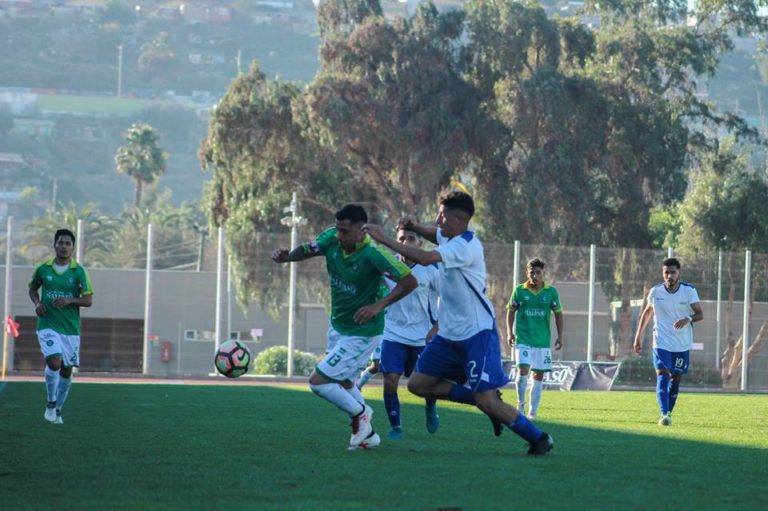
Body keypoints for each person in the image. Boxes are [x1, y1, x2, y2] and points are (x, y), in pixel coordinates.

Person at [364, 191, 553, 455]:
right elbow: (435, 235)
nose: (438, 219)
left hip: (477, 334)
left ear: (459, 219)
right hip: (449, 335)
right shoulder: (450, 236)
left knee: (488, 401)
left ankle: (539, 438)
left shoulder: (465, 246)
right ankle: (481, 399)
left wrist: (383, 239)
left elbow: (425, 258)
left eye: (442, 215)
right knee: (418, 385)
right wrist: (415, 227)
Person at [272, 204, 417, 450]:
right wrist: (288, 257)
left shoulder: (373, 254)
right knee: (345, 382)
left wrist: (378, 306)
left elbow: (409, 282)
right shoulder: (331, 238)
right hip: (338, 326)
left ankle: (360, 414)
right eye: (337, 229)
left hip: (363, 332)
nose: (339, 235)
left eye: (345, 231)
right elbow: (308, 249)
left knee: (318, 381)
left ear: (362, 231)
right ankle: (369, 435)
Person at [356, 228, 441, 439]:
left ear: (419, 244)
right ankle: (396, 426)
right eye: (402, 238)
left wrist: (436, 327)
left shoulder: (431, 269)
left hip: (422, 336)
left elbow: (450, 299)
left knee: (425, 384)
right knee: (391, 380)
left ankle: (431, 407)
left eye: (411, 238)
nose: (406, 242)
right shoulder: (386, 264)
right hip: (392, 333)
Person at [28, 229, 94, 425]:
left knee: (66, 370)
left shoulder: (79, 271)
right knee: (54, 363)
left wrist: (70, 300)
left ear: (72, 247)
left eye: (67, 243)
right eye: (60, 243)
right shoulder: (43, 269)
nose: (64, 246)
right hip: (47, 324)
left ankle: (58, 409)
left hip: (70, 329)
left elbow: (88, 300)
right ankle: (50, 403)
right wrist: (37, 304)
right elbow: (32, 289)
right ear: (55, 245)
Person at [633, 257, 702, 426]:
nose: (669, 276)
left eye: (673, 272)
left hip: (681, 344)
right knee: (662, 376)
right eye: (666, 273)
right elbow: (647, 313)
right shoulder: (655, 292)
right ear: (662, 274)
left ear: (679, 273)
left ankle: (669, 413)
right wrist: (638, 336)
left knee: (675, 379)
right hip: (661, 342)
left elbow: (700, 314)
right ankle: (663, 413)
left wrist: (687, 319)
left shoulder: (689, 291)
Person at [506, 258, 564, 419]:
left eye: (538, 272)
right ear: (527, 273)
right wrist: (510, 332)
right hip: (523, 338)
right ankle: (520, 406)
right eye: (532, 272)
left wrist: (560, 336)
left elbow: (558, 314)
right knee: (523, 370)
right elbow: (511, 311)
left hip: (542, 341)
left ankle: (532, 412)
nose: (535, 275)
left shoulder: (551, 292)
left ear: (543, 273)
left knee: (538, 375)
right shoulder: (519, 290)